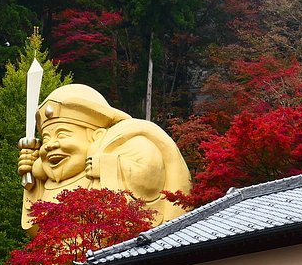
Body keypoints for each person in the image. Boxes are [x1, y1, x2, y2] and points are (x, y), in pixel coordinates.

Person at [18, 84, 191, 229]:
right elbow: (36, 231)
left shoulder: (131, 147)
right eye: (46, 138)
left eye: (62, 134)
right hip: (57, 259)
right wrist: (32, 183)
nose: (49, 145)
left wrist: (107, 167)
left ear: (97, 136)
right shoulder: (49, 182)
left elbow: (149, 176)